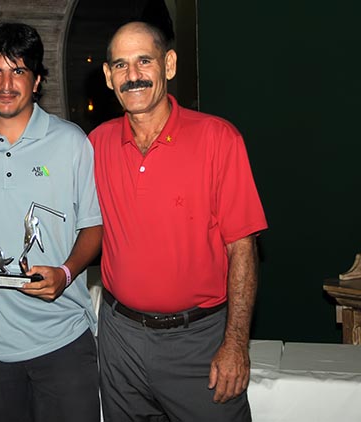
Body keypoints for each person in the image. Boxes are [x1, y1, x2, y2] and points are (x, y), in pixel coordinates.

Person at [89, 21, 267, 421]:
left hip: (198, 343)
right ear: (107, 76)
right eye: (120, 65)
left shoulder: (219, 139)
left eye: (143, 61)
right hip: (120, 342)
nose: (132, 76)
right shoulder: (94, 145)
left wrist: (236, 344)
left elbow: (242, 248)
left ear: (168, 65)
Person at [0, 22, 102, 422]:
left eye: (19, 71)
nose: (6, 83)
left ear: (37, 81)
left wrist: (65, 273)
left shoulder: (71, 142)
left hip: (63, 341)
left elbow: (94, 225)